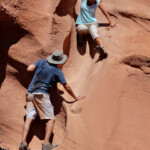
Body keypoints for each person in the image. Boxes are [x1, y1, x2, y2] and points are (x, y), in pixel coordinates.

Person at [19, 50, 85, 150]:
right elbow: (66, 87)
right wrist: (75, 98)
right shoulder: (57, 71)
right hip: (41, 95)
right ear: (59, 61)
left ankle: (23, 142)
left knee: (29, 118)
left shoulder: (41, 62)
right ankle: (46, 144)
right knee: (50, 119)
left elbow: (29, 68)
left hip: (30, 93)